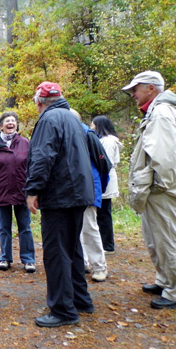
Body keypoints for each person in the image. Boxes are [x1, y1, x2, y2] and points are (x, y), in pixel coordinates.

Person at [24, 82, 94, 327]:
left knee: (56, 252)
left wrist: (33, 189)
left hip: (61, 195)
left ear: (39, 102)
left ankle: (63, 310)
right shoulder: (72, 118)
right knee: (72, 249)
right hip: (77, 193)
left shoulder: (48, 119)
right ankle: (80, 301)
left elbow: (43, 156)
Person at [123, 71, 176, 309]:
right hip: (157, 188)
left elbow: (163, 156)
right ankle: (165, 280)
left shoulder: (161, 113)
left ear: (151, 88)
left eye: (136, 89)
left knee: (167, 239)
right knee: (156, 238)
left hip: (162, 189)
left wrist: (158, 186)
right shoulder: (157, 111)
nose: (133, 94)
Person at [0, 112, 36, 273]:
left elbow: (32, 169)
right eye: (7, 121)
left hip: (21, 191)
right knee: (4, 227)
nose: (10, 123)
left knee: (25, 227)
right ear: (1, 125)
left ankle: (28, 260)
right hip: (0, 191)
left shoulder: (25, 143)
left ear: (17, 125)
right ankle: (5, 258)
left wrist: (33, 189)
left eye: (13, 121)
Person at [70, 109, 108, 283]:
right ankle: (83, 262)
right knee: (74, 228)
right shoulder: (63, 134)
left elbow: (103, 165)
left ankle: (99, 267)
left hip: (88, 188)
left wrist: (98, 189)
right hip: (70, 190)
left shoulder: (88, 135)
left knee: (89, 227)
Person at [91, 116, 122, 254]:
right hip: (104, 178)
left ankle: (108, 245)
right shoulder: (104, 140)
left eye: (93, 124)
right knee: (102, 213)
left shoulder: (108, 141)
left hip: (106, 179)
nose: (91, 127)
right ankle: (104, 243)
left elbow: (105, 162)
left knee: (104, 214)